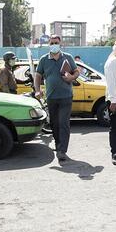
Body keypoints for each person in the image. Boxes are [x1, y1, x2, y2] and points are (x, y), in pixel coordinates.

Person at [35, 34, 79, 162]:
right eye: (52, 43)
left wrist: (72, 77)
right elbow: (38, 76)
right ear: (49, 44)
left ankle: (62, 150)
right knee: (54, 123)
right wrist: (37, 90)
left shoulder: (68, 57)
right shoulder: (44, 59)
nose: (54, 45)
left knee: (63, 123)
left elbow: (76, 71)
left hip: (66, 96)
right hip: (51, 97)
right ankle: (58, 145)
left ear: (60, 44)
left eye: (56, 43)